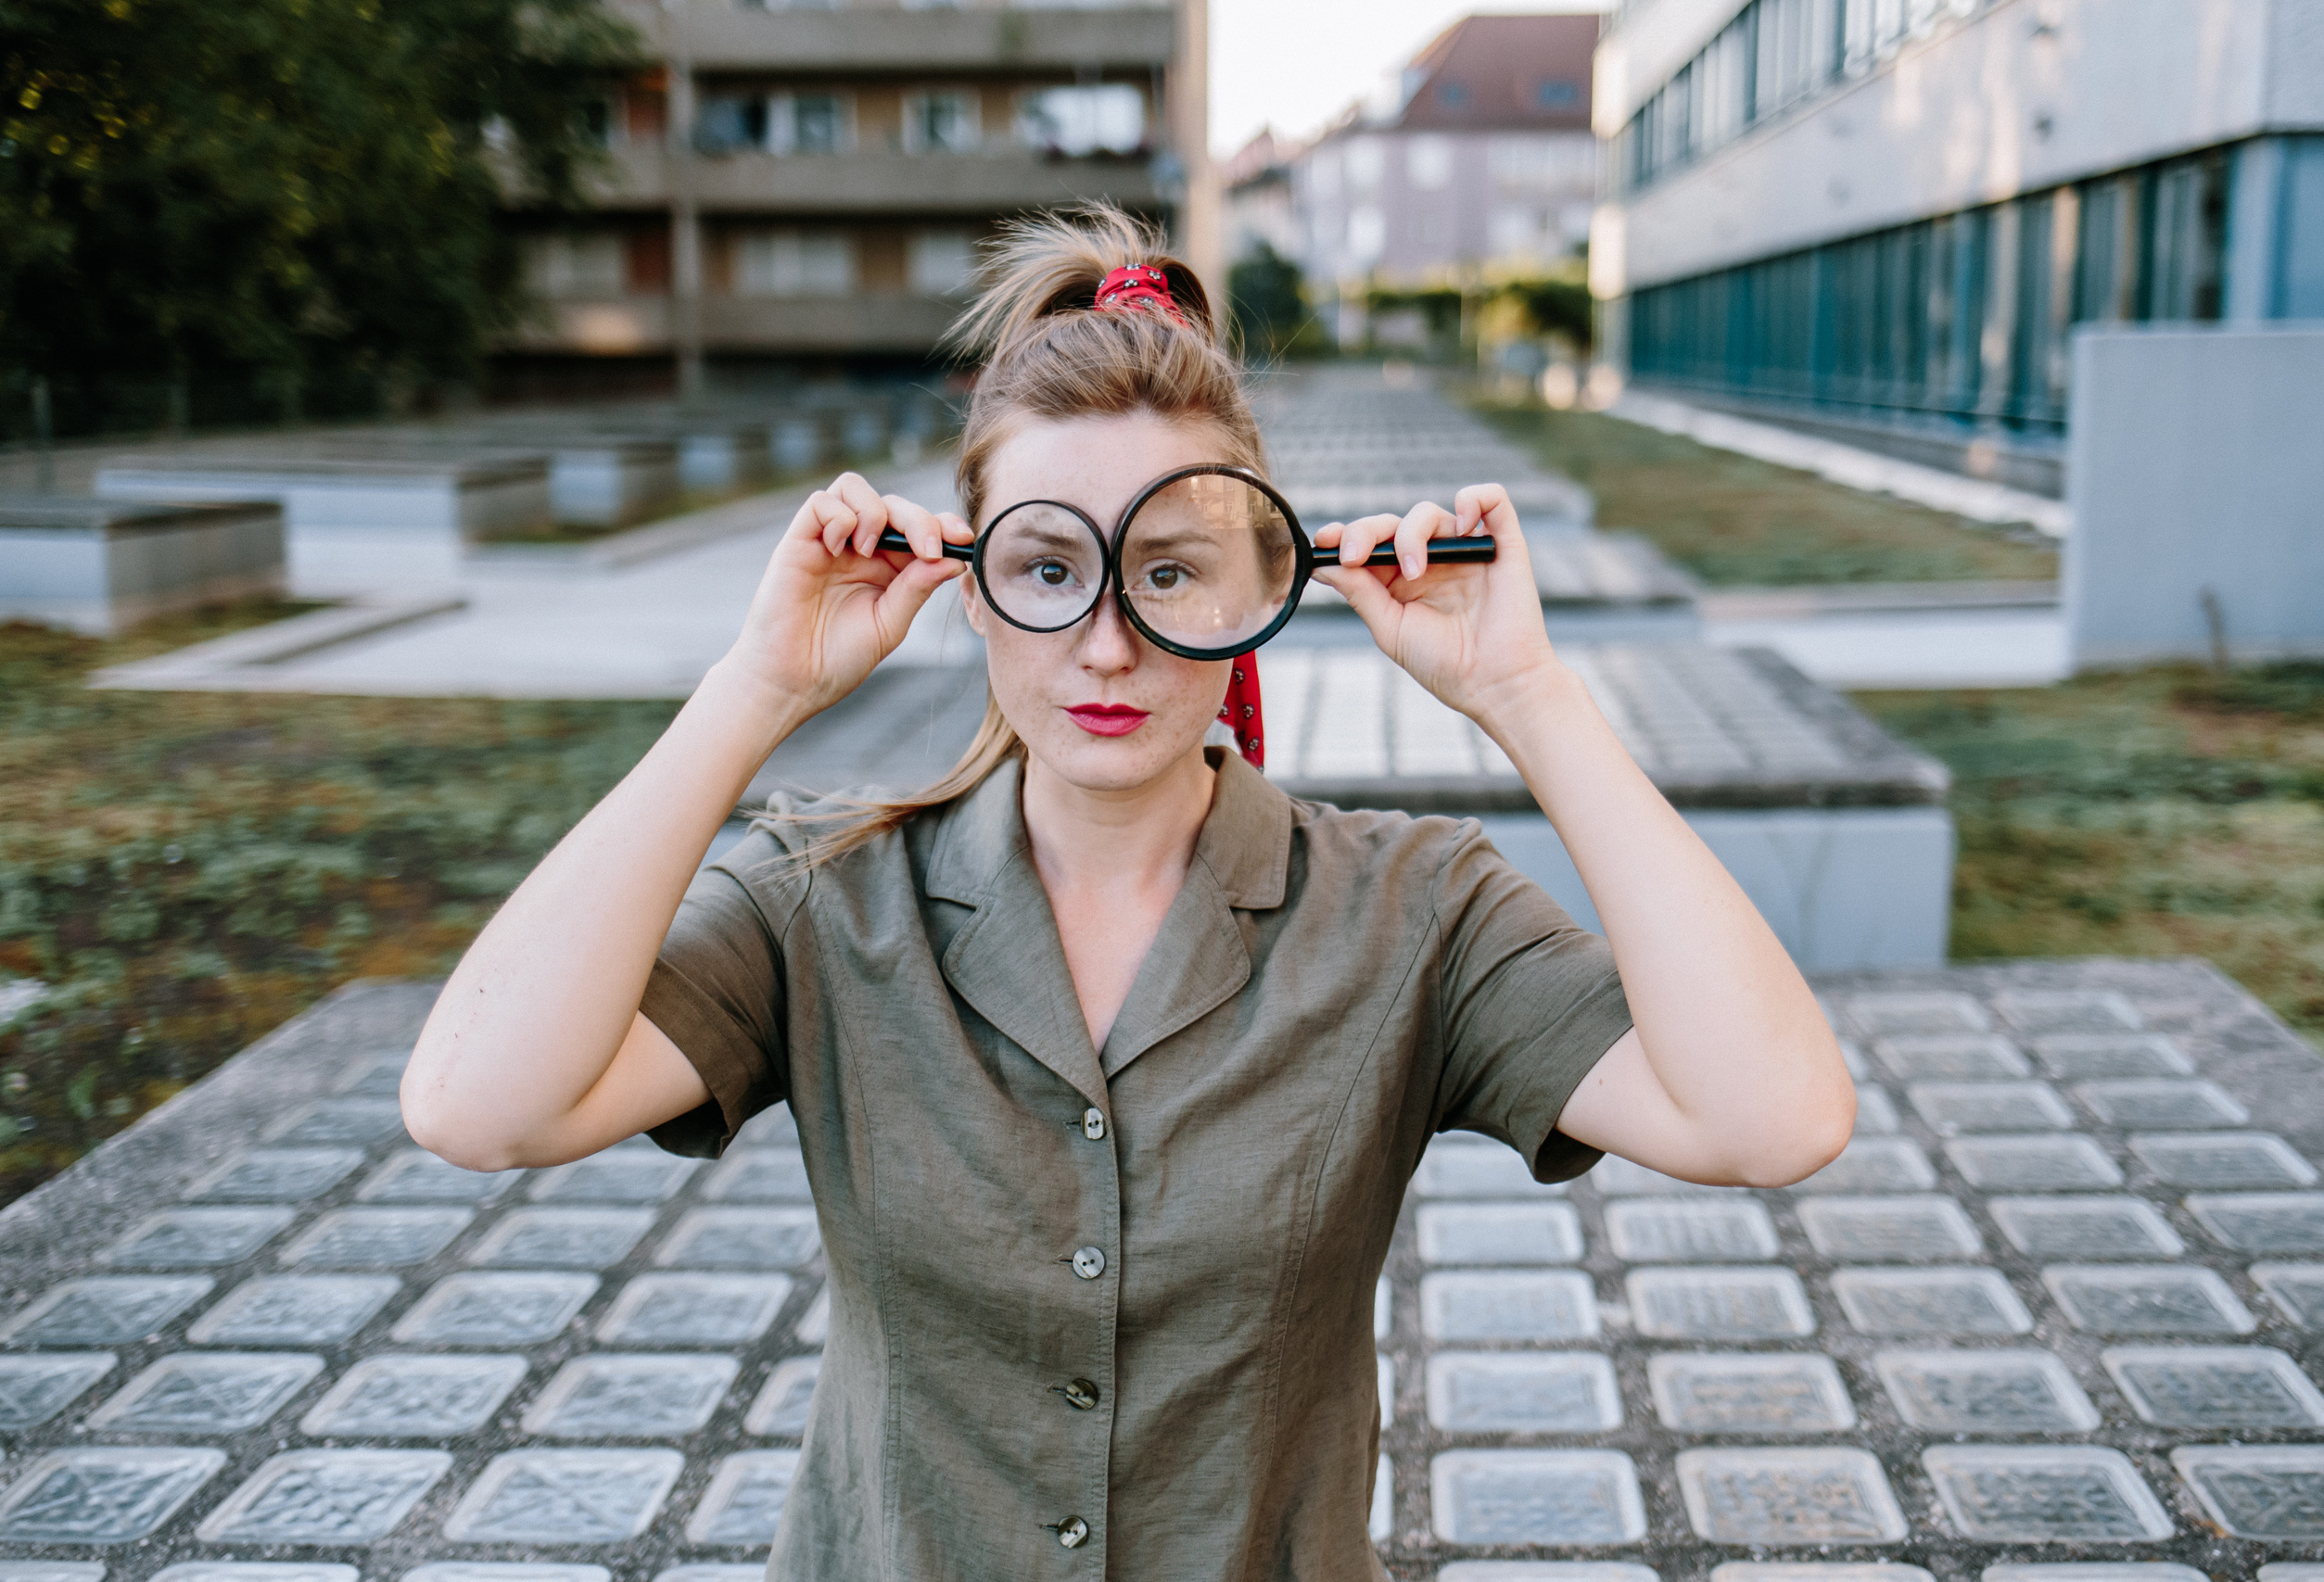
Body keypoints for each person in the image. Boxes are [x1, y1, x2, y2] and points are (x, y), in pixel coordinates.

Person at [401, 206, 1855, 1579]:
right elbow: (482, 1105)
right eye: (1047, 567)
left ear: (1261, 593)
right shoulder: (827, 899)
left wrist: (1530, 700)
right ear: (966, 584)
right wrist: (752, 691)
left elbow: (1771, 1120)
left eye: (1170, 571)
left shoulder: (1414, 909)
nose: (1107, 645)